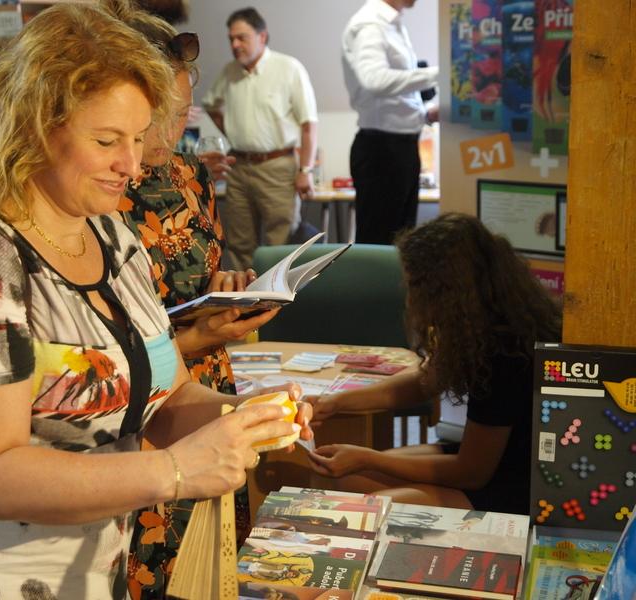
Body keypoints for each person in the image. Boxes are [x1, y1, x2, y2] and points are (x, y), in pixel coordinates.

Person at [0, 5, 311, 598]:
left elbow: (165, 395)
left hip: (92, 575)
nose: (131, 165)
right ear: (32, 128)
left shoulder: (111, 237)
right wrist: (177, 470)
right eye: (107, 140)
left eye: (138, 139)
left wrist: (240, 418)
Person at [106, 4, 280, 595]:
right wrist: (201, 335)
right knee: (153, 565)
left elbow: (200, 270)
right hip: (140, 406)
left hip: (201, 381)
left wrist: (227, 288)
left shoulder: (188, 174)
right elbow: (103, 357)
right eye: (166, 115)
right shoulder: (101, 191)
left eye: (185, 113)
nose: (175, 130)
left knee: (213, 556)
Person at [308, 213, 562, 515]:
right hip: (488, 463)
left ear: (442, 290)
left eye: (414, 284)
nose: (409, 295)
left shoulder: (505, 353)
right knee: (344, 479)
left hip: (513, 489)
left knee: (361, 507)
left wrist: (367, 458)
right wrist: (334, 403)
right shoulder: (482, 324)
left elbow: (471, 473)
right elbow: (423, 383)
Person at [202, 7, 318, 270]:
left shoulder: (288, 68)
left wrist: (306, 170)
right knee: (240, 244)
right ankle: (248, 307)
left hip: (277, 168)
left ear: (262, 36)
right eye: (231, 38)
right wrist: (233, 131)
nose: (235, 44)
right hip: (239, 168)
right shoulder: (230, 71)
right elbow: (210, 104)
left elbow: (309, 124)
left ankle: (281, 307)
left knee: (281, 243)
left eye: (242, 37)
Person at [342, 0, 440, 245]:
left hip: (399, 148)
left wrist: (424, 114)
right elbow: (375, 80)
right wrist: (441, 73)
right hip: (382, 153)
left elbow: (394, 101)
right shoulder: (370, 24)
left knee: (400, 244)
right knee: (380, 245)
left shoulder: (392, 23)